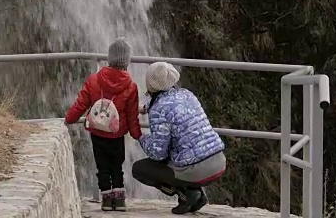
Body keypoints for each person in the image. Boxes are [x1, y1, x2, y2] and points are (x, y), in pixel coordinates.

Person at [133, 62, 226, 215]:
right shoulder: (186, 94)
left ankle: (187, 194)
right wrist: (144, 109)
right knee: (178, 155)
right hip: (218, 161)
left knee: (140, 169)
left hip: (198, 170)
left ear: (150, 83)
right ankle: (197, 195)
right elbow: (170, 107)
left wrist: (138, 135)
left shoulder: (158, 109)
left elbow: (157, 154)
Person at [65, 38, 142, 212]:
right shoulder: (131, 86)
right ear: (126, 62)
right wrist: (137, 134)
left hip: (97, 132)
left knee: (102, 166)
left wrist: (70, 118)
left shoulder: (94, 80)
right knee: (117, 166)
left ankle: (107, 201)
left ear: (109, 58)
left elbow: (81, 104)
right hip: (117, 134)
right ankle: (120, 201)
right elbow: (132, 116)